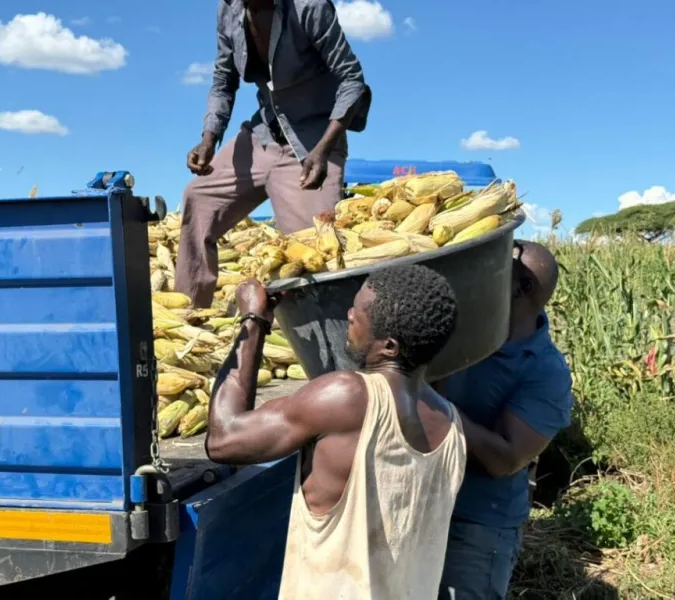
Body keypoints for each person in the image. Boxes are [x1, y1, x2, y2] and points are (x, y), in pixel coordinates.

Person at [204, 264, 466, 600]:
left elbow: (224, 440)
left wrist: (253, 321)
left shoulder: (348, 397)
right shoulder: (452, 424)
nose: (349, 316)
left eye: (358, 312)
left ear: (389, 347)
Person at [177, 0, 371, 308]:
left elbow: (352, 80)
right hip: (263, 133)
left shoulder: (310, 7)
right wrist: (208, 140)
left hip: (312, 143)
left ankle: (318, 339)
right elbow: (223, 81)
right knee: (198, 198)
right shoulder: (228, 10)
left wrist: (322, 150)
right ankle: (190, 312)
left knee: (314, 250)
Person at [435, 240, 574, 600]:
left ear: (522, 287)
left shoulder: (545, 371)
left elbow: (505, 458)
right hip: (426, 507)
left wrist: (430, 401)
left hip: (476, 528)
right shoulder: (462, 331)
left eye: (496, 266)